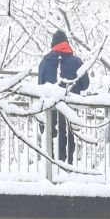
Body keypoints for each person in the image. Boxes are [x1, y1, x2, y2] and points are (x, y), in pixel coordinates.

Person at [36, 29, 89, 165]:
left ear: (53, 45)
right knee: (69, 137)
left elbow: (40, 86)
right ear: (67, 43)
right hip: (70, 107)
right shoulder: (76, 62)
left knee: (51, 136)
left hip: (51, 108)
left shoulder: (45, 62)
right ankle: (68, 165)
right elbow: (85, 84)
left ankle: (52, 165)